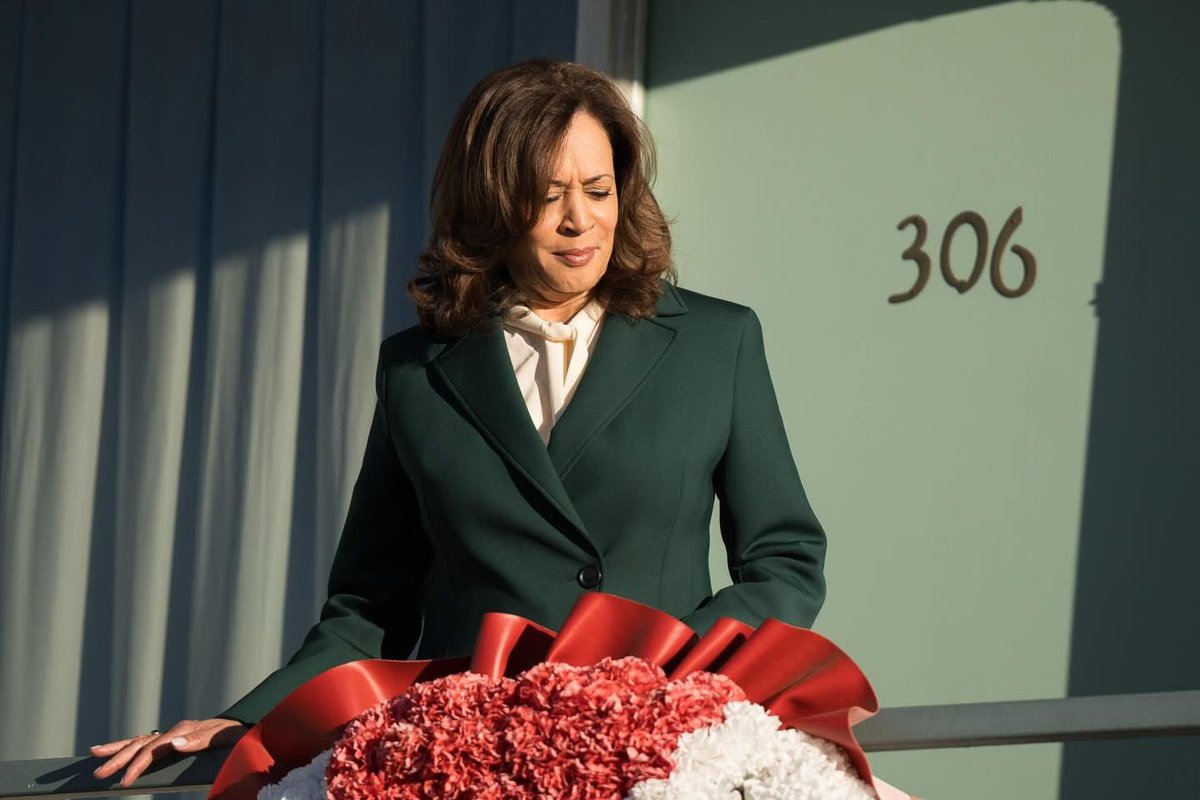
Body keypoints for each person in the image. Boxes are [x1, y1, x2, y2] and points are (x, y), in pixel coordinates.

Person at [91, 58, 827, 787]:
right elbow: (367, 609)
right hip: (478, 765)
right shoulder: (418, 371)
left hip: (656, 753)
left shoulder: (715, 343)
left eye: (599, 190)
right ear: (491, 206)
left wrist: (671, 669)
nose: (581, 221)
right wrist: (250, 717)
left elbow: (784, 560)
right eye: (548, 197)